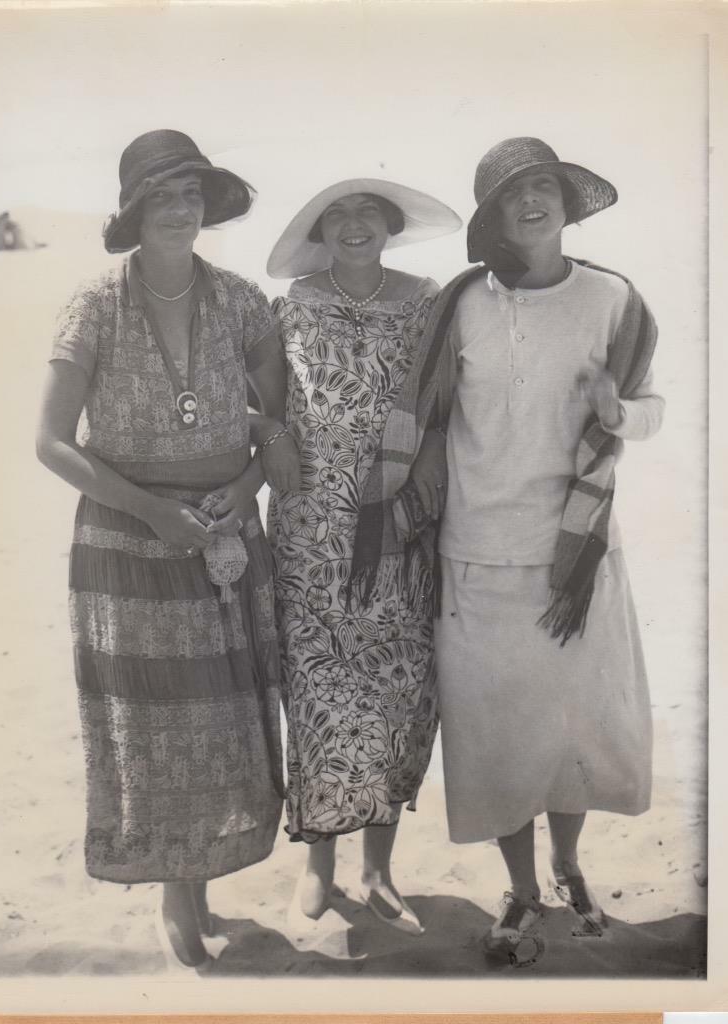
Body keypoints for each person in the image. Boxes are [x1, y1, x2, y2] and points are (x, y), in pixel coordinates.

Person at [35, 130, 299, 971]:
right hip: (126, 544)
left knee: (221, 719)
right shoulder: (92, 306)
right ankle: (177, 904)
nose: (179, 210)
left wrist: (251, 481)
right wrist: (153, 512)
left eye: (191, 194)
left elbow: (280, 424)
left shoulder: (244, 302)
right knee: (153, 724)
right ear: (135, 214)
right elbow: (50, 442)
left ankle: (200, 895)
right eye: (162, 197)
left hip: (226, 537)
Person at [408, 136, 662, 959]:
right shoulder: (458, 308)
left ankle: (567, 866)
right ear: (491, 220)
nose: (533, 200)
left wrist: (618, 410)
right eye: (514, 192)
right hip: (476, 554)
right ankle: (518, 888)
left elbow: (651, 406)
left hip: (576, 559)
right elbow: (423, 422)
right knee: (494, 733)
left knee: (573, 726)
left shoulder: (613, 301)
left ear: (565, 202)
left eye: (545, 185)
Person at [265, 178, 461, 934]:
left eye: (366, 215)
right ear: (320, 232)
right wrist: (274, 437)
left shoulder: (427, 302)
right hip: (309, 530)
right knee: (314, 692)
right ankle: (317, 865)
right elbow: (265, 405)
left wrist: (420, 487)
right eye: (337, 216)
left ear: (389, 225)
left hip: (399, 524)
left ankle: (377, 868)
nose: (353, 226)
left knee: (394, 691)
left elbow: (447, 410)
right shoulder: (291, 305)